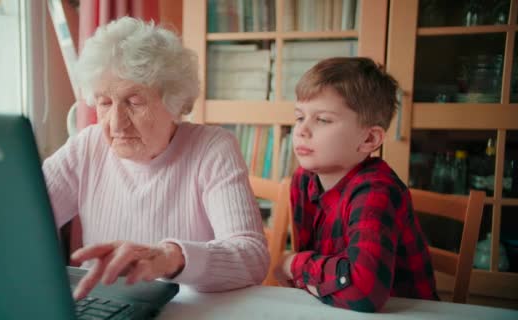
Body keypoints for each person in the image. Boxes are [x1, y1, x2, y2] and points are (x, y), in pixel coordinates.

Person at [43, 17, 269, 300]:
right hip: (104, 307)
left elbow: (252, 257)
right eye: (104, 102)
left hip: (187, 312)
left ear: (174, 102)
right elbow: (18, 216)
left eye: (134, 102)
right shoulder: (86, 146)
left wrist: (170, 257)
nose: (116, 125)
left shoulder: (212, 149)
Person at [274, 57, 439, 312]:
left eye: (323, 120)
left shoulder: (376, 191)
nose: (301, 131)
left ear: (369, 139)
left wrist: (294, 263)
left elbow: (363, 292)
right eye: (299, 117)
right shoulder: (304, 180)